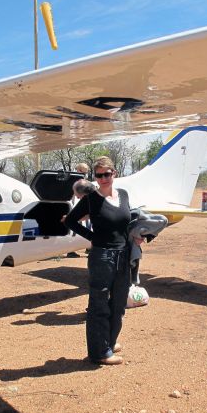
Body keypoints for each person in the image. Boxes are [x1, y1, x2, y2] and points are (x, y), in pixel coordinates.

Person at [64, 156, 142, 365]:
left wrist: (136, 236)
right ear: (95, 177)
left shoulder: (123, 195)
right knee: (99, 305)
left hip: (123, 255)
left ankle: (108, 341)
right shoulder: (91, 199)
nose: (103, 178)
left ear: (114, 173)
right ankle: (99, 353)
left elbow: (125, 223)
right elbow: (70, 220)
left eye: (107, 174)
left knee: (119, 303)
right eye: (99, 175)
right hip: (102, 257)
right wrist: (92, 238)